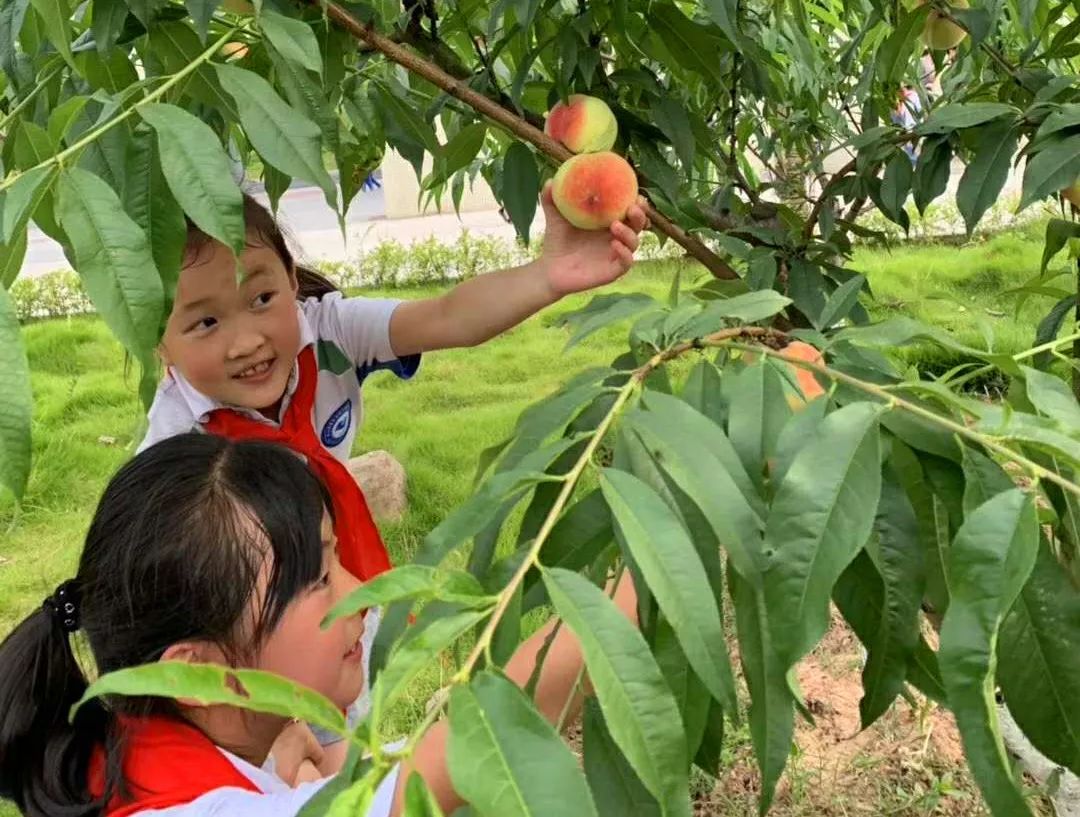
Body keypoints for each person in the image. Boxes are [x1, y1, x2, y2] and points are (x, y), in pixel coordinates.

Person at [140, 188, 647, 747]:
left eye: (261, 297)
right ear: (155, 339)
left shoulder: (326, 332)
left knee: (347, 730)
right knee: (299, 763)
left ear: (289, 276)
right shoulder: (175, 450)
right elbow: (165, 599)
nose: (248, 339)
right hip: (256, 635)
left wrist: (551, 272)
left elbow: (448, 316)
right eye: (206, 322)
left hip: (330, 583)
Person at [0, 435, 637, 816]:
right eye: (320, 581)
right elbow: (476, 747)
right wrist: (652, 570)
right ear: (197, 674)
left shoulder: (132, 736)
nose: (362, 596)